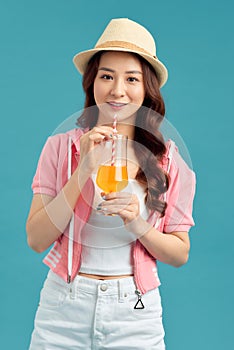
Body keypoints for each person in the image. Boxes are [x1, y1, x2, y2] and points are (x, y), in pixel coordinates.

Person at [26, 18, 196, 350]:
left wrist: (137, 225)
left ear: (147, 89)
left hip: (135, 312)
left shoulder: (168, 160)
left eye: (131, 78)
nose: (117, 90)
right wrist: (83, 169)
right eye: (107, 76)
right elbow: (36, 239)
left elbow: (180, 254)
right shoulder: (61, 148)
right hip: (62, 308)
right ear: (92, 83)